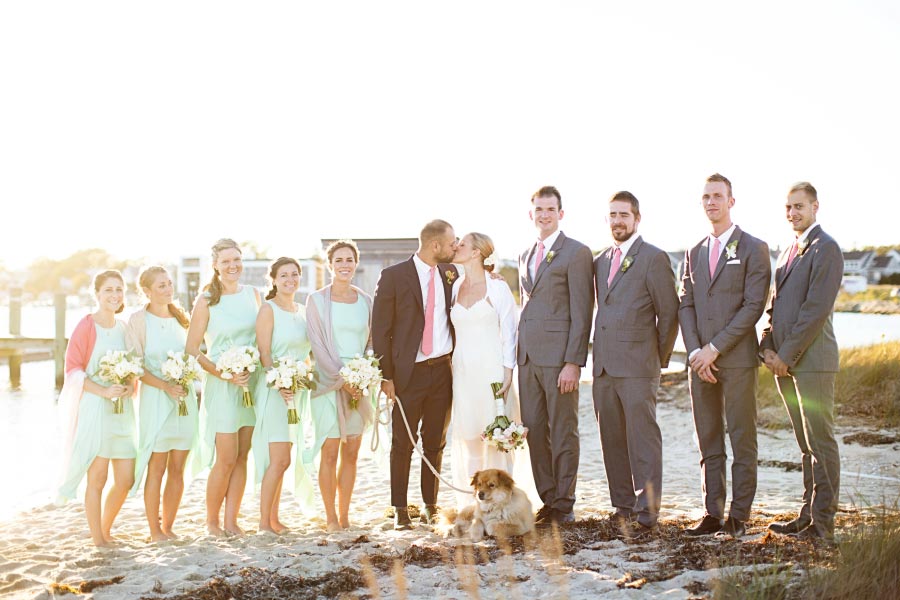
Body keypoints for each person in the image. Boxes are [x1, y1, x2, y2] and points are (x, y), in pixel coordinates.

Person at [678, 173, 771, 538]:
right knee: (708, 438)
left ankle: (739, 515)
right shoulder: (693, 251)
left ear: (731, 201)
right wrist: (697, 351)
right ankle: (712, 512)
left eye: (718, 196)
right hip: (700, 362)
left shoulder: (753, 247)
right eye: (706, 197)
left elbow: (753, 307)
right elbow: (685, 304)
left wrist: (715, 348)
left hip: (736, 360)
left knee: (742, 438)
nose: (711, 202)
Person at [591, 192, 679, 536]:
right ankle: (622, 505)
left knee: (643, 440)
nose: (617, 221)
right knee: (611, 439)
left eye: (624, 215)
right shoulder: (600, 261)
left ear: (637, 219)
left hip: (640, 367)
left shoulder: (653, 258)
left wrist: (656, 358)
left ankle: (647, 511)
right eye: (612, 215)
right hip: (603, 368)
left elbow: (669, 313)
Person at [760, 182, 843, 542]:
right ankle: (806, 514)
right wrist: (766, 344)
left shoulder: (827, 249)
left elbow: (814, 311)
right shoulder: (787, 252)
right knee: (805, 444)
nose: (793, 213)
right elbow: (775, 306)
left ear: (815, 207)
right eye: (788, 207)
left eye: (799, 207)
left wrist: (786, 357)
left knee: (821, 441)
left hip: (812, 363)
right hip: (785, 364)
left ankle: (823, 525)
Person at [373, 220, 459, 530]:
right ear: (435, 245)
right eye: (451, 243)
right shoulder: (393, 277)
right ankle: (399, 508)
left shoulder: (451, 274)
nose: (455, 248)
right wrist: (386, 376)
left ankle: (429, 505)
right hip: (407, 374)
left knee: (435, 442)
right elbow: (380, 330)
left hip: (442, 372)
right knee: (402, 443)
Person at [517, 186, 594, 525]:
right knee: (534, 430)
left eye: (550, 209)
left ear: (561, 214)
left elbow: (582, 311)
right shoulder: (524, 254)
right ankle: (548, 499)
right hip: (528, 359)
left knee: (563, 430)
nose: (544, 214)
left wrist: (573, 362)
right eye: (539, 209)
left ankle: (564, 503)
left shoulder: (576, 253)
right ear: (530, 213)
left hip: (559, 359)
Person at [448, 232, 535, 508]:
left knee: (496, 440)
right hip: (463, 374)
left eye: (461, 244)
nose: (455, 246)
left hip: (492, 373)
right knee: (470, 437)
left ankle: (502, 506)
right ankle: (472, 508)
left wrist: (508, 372)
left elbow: (510, 332)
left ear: (476, 253)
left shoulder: (496, 288)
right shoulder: (455, 286)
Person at [186, 238, 260, 536]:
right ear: (215, 265)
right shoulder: (206, 300)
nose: (233, 266)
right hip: (222, 385)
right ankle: (212, 522)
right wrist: (223, 373)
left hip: (250, 383)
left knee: (243, 454)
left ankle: (232, 521)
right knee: (226, 456)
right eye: (226, 261)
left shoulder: (254, 295)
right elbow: (192, 348)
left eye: (237, 260)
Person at [57, 270, 136, 547]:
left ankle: (104, 528)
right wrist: (103, 390)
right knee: (98, 477)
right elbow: (72, 370)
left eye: (119, 290)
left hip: (122, 411)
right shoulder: (86, 325)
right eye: (108, 290)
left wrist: (128, 384)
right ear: (97, 294)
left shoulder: (124, 328)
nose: (114, 295)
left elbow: (132, 368)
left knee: (126, 478)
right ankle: (98, 539)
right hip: (95, 408)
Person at [306, 240, 375, 532]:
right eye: (339, 260)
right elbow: (317, 345)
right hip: (327, 382)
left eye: (349, 259)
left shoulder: (365, 300)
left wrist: (364, 376)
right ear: (329, 264)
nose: (344, 265)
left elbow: (370, 343)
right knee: (331, 451)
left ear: (355, 263)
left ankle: (345, 515)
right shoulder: (316, 300)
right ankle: (330, 517)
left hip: (359, 386)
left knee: (351, 453)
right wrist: (342, 379)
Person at [127, 266, 198, 542]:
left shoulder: (182, 319)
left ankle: (169, 527)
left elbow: (193, 355)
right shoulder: (138, 320)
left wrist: (184, 379)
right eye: (161, 286)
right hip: (157, 399)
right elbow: (135, 365)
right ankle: (154, 530)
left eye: (169, 284)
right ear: (147, 291)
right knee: (156, 466)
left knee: (178, 467)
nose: (168, 290)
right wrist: (165, 385)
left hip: (184, 398)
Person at [253, 257, 311, 534]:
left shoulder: (302, 311)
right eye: (284, 275)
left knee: (285, 458)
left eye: (295, 274)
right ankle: (265, 522)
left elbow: (307, 354)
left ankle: (274, 519)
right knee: (278, 459)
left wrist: (302, 378)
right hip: (275, 391)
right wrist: (277, 380)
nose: (290, 279)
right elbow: (264, 352)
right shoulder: (268, 309)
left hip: (296, 390)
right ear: (273, 279)